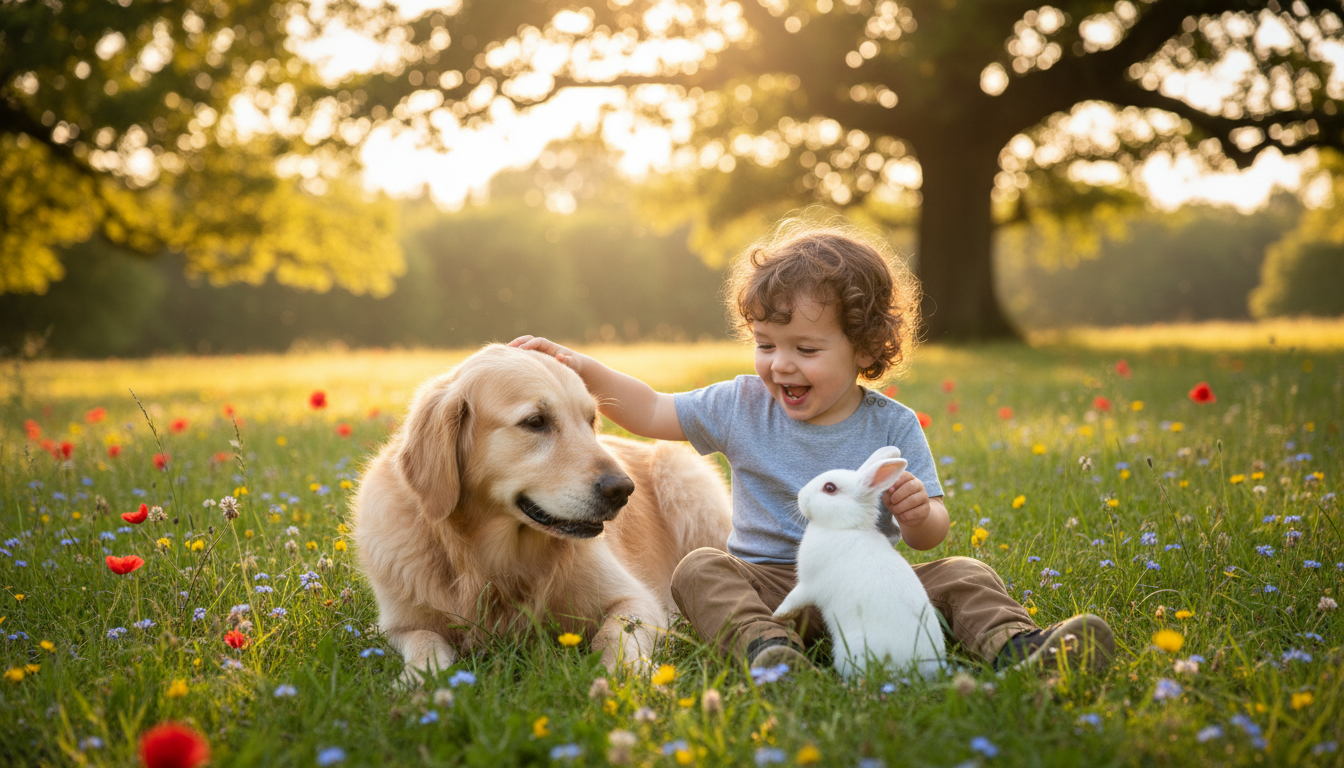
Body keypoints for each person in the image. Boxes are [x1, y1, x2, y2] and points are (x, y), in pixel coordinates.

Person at [509, 220, 1114, 674]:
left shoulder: (894, 425)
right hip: (773, 587)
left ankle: (1022, 647)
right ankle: (768, 652)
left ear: (868, 351)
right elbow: (650, 410)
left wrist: (915, 512)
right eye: (766, 344)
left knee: (964, 573)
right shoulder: (740, 405)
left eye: (806, 348)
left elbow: (932, 534)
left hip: (874, 585)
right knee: (700, 570)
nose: (780, 366)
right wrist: (579, 368)